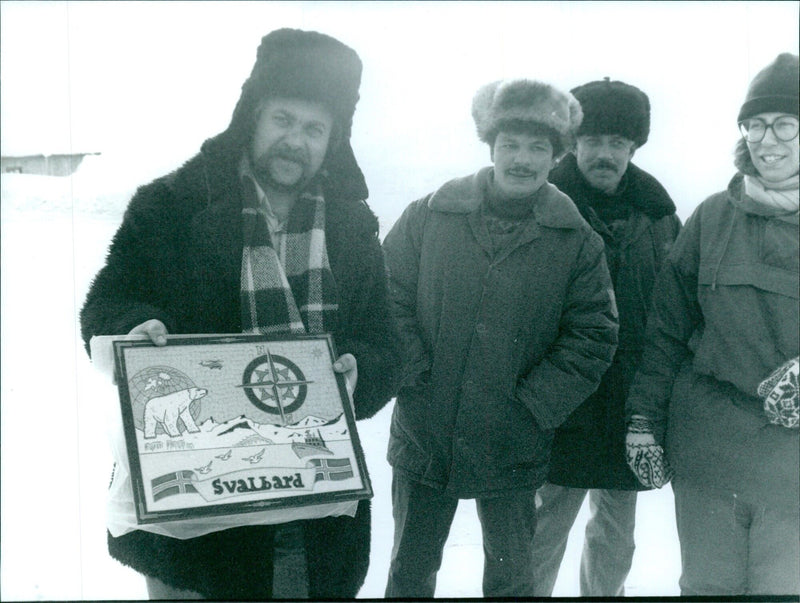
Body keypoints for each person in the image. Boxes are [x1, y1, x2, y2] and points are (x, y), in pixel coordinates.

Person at [79, 28, 399, 599]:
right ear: (251, 116)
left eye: (314, 129)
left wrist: (361, 369)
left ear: (333, 140)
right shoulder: (173, 205)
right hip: (193, 514)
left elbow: (383, 340)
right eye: (283, 119)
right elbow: (107, 300)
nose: (295, 141)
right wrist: (135, 324)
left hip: (310, 506)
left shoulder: (353, 227)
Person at [381, 78, 619, 597]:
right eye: (510, 144)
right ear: (490, 147)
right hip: (427, 432)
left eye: (538, 147)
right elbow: (387, 294)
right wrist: (415, 373)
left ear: (557, 156)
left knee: (513, 580)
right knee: (409, 570)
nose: (522, 159)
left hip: (514, 440)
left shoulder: (577, 241)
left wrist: (533, 404)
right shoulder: (430, 214)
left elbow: (594, 336)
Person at [625, 52, 799, 595]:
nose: (767, 140)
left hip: (794, 458)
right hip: (710, 447)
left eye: (785, 125)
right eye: (755, 125)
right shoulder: (711, 218)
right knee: (707, 588)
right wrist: (642, 420)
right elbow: (667, 333)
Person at [531, 78, 681, 596]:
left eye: (617, 143)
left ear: (633, 148)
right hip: (560, 403)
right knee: (541, 530)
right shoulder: (543, 204)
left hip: (628, 406)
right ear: (573, 143)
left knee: (617, 537)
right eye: (592, 140)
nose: (604, 153)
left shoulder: (660, 217)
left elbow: (676, 312)